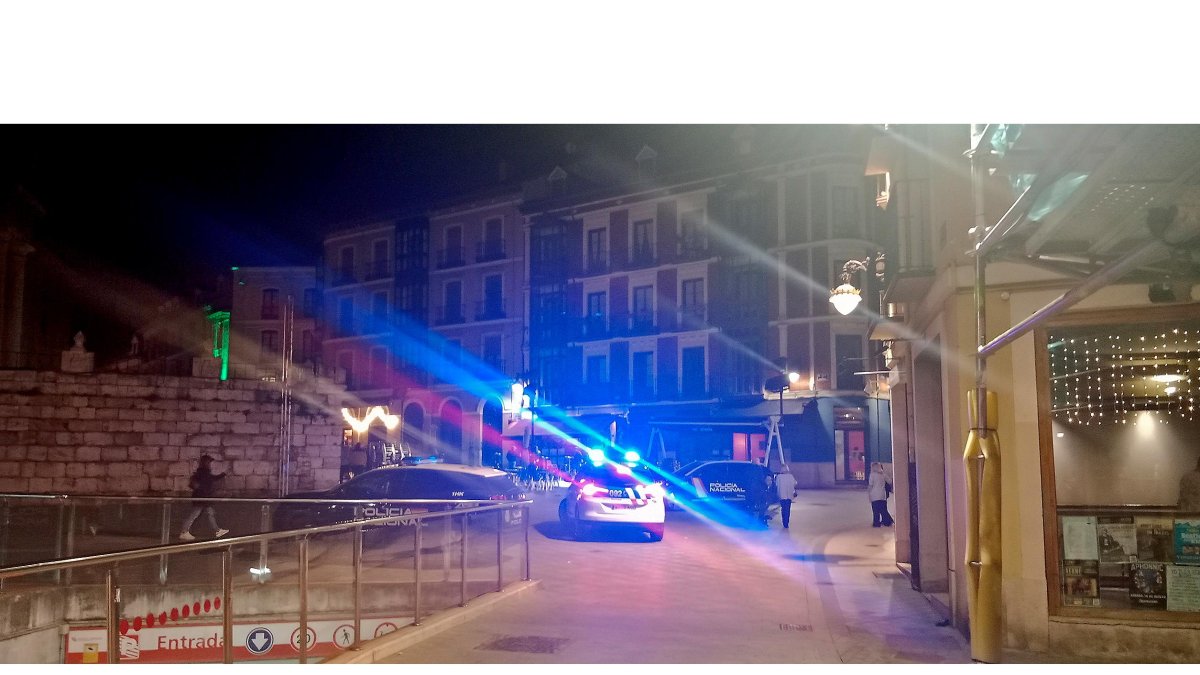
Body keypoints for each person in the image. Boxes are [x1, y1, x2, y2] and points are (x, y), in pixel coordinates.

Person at [180, 455, 229, 541]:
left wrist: (223, 474)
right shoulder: (204, 472)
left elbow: (212, 479)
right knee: (194, 515)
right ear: (206, 463)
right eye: (209, 462)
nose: (210, 464)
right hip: (202, 498)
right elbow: (210, 481)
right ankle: (184, 532)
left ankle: (217, 530)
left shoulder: (203, 472)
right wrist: (223, 474)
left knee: (210, 514)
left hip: (204, 498)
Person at [868, 462, 894, 527]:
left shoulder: (872, 475)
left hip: (874, 495)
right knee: (883, 509)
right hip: (882, 495)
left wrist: (869, 493)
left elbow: (870, 485)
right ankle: (887, 522)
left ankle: (876, 523)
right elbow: (890, 481)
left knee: (875, 511)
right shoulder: (883, 475)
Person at [774, 465, 798, 529]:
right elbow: (795, 483)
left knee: (783, 508)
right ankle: (786, 522)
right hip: (789, 495)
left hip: (782, 495)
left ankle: (784, 521)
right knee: (787, 509)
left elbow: (776, 484)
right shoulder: (790, 476)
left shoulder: (779, 477)